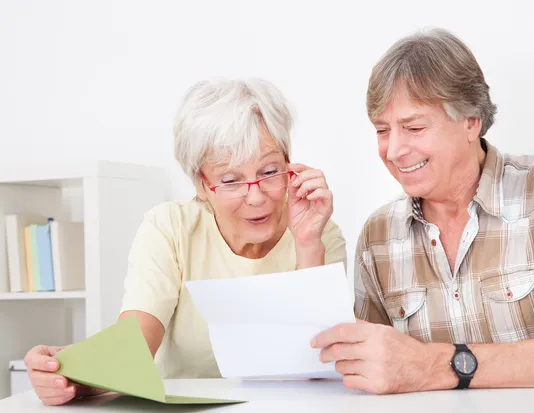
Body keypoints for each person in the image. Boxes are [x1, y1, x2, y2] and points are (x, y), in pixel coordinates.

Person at [24, 78, 347, 405]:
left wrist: (308, 244)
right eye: (231, 180)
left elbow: (320, 362)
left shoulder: (318, 231)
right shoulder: (170, 227)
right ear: (202, 185)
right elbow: (134, 345)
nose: (256, 196)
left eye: (269, 171)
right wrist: (72, 376)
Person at [312, 28, 534, 394]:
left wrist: (445, 365)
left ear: (471, 122)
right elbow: (360, 374)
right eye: (382, 130)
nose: (394, 150)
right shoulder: (378, 235)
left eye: (413, 127)